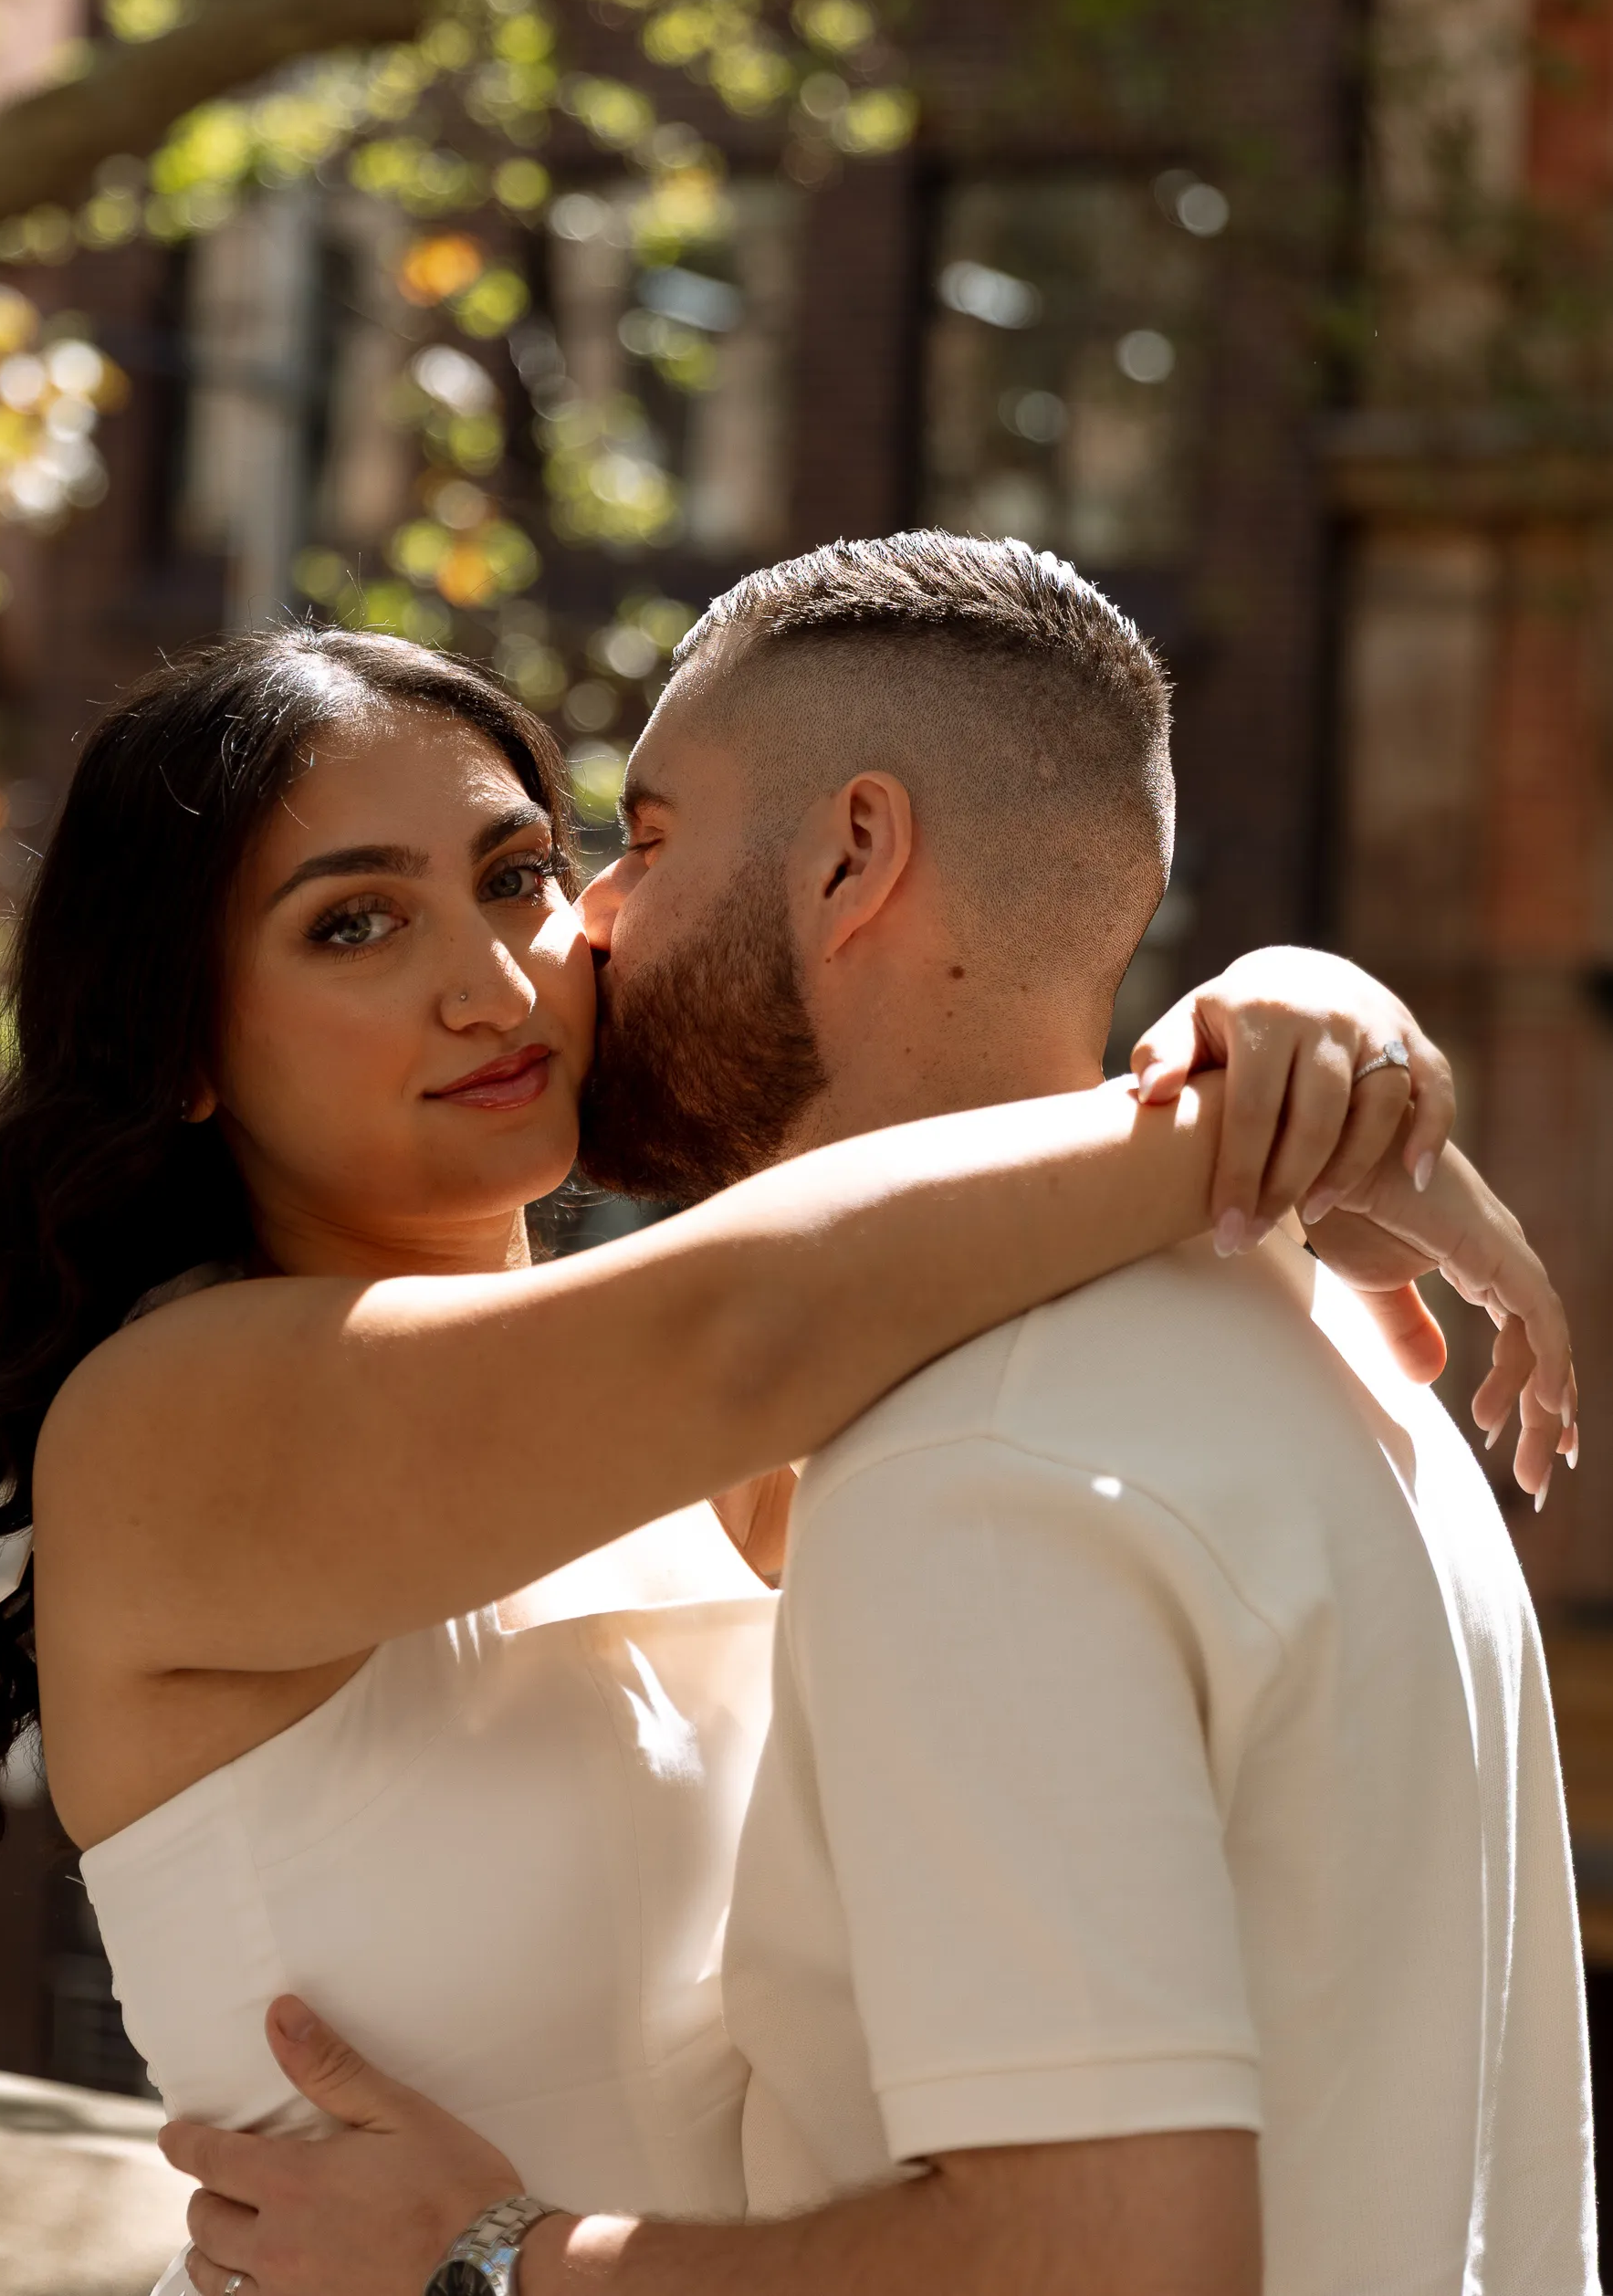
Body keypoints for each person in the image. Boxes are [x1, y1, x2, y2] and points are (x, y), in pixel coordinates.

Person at [155, 539, 1589, 2296]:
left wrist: (496, 2265)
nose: (564, 940)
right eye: (356, 921)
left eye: (604, 851)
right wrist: (1286, 1110)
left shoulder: (970, 1457)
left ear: (853, 856)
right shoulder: (1323, 1354)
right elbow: (742, 1322)